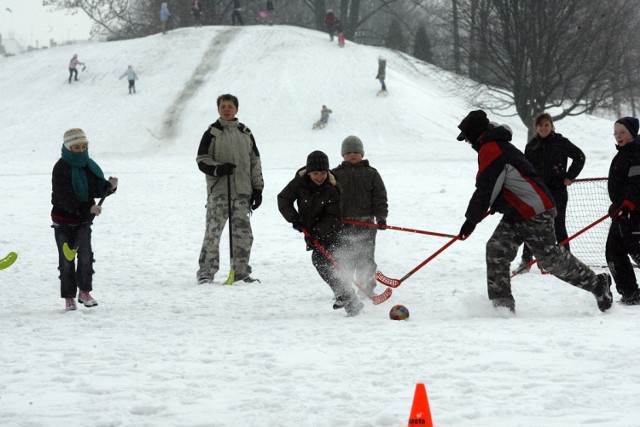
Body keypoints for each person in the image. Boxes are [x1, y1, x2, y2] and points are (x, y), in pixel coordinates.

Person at [455, 110, 612, 313]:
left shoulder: (492, 148)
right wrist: (497, 205)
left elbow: (486, 189)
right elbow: (503, 183)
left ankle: (598, 284)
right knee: (496, 249)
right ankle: (502, 307)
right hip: (517, 211)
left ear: (476, 132)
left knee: (549, 259)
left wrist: (471, 221)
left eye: (466, 136)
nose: (466, 141)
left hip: (535, 209)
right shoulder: (493, 146)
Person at [277, 150, 364, 317]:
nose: (319, 177)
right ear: (309, 172)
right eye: (315, 173)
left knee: (326, 261)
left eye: (323, 173)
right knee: (327, 263)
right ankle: (350, 300)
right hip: (311, 231)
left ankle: (346, 297)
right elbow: (283, 199)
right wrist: (295, 219)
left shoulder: (332, 188)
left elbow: (333, 217)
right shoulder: (299, 183)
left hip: (332, 230)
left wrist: (316, 231)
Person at [196, 94, 264, 285]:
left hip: (242, 192)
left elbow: (255, 161)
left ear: (236, 109)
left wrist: (257, 189)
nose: (226, 109)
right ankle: (206, 273)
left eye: (230, 106)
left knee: (243, 235)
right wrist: (218, 169)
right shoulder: (212, 132)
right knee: (213, 233)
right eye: (223, 106)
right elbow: (202, 159)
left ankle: (241, 273)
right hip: (219, 192)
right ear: (218, 109)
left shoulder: (245, 133)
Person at [51, 128, 118, 311]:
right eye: (76, 147)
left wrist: (109, 187)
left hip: (83, 221)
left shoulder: (88, 164)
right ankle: (69, 297)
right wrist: (88, 207)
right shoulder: (61, 168)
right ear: (68, 147)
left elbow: (96, 189)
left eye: (83, 146)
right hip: (63, 221)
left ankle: (85, 292)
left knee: (86, 257)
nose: (81, 150)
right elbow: (64, 197)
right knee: (66, 260)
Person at [513, 113, 585, 273]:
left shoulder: (561, 142)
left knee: (558, 225)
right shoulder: (531, 146)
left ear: (552, 126)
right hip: (537, 193)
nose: (543, 128)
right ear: (536, 128)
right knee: (532, 226)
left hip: (557, 191)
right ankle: (526, 261)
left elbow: (580, 157)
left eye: (546, 125)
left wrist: (569, 176)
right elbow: (526, 169)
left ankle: (568, 262)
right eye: (540, 125)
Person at [332, 136, 388, 297]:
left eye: (356, 152)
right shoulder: (335, 175)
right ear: (343, 155)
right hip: (343, 225)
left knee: (366, 258)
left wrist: (381, 217)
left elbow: (380, 197)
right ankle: (344, 289)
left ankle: (366, 287)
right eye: (348, 152)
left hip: (366, 224)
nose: (352, 155)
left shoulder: (371, 173)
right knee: (344, 258)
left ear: (362, 154)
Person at [606, 117, 640, 305]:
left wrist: (628, 204)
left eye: (623, 132)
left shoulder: (636, 151)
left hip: (634, 212)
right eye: (616, 133)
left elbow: (637, 183)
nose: (619, 136)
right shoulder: (624, 152)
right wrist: (617, 204)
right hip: (622, 211)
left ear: (632, 132)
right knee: (614, 251)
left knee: (635, 250)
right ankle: (630, 292)